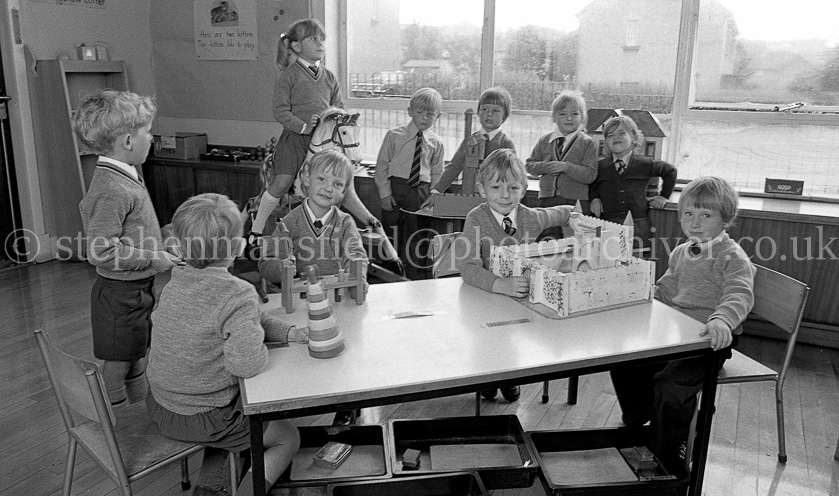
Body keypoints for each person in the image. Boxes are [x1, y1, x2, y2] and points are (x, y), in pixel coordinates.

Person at [147, 193, 306, 496]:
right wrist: (255, 340)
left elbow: (249, 319)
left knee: (231, 414)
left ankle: (210, 486)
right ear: (237, 247)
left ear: (179, 247)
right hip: (203, 415)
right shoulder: (237, 294)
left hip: (161, 404)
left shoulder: (176, 280)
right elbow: (246, 364)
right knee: (288, 436)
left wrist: (288, 333)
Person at [609, 176, 755, 477]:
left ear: (725, 219)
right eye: (688, 214)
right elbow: (665, 288)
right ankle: (639, 419)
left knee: (671, 386)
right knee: (624, 361)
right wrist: (641, 297)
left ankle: (668, 452)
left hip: (711, 339)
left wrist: (722, 319)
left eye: (706, 215)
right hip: (676, 333)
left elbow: (739, 293)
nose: (695, 222)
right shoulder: (681, 251)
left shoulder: (732, 256)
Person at [74, 90, 180, 410]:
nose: (153, 139)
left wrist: (163, 238)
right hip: (120, 296)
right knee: (120, 361)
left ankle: (138, 415)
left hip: (134, 289)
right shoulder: (112, 188)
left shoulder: (125, 174)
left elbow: (133, 230)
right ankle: (110, 420)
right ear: (129, 141)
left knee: (135, 353)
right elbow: (102, 251)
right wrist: (151, 256)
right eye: (148, 132)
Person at [458, 149, 573, 402]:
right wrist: (499, 284)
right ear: (482, 189)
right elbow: (467, 267)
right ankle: (487, 379)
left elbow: (565, 212)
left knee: (514, 339)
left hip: (520, 299)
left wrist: (572, 241)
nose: (504, 195)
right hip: (485, 297)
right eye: (496, 187)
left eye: (512, 188)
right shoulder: (476, 218)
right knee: (486, 344)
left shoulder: (530, 217)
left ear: (523, 188)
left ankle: (510, 378)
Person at [248, 18, 343, 253]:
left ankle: (324, 235)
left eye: (322, 38)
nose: (320, 43)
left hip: (321, 144)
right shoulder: (289, 76)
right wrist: (302, 126)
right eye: (313, 38)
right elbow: (280, 111)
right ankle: (256, 229)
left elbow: (338, 108)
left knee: (325, 188)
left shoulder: (329, 77)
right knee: (282, 183)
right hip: (295, 140)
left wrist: (336, 121)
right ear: (297, 46)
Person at [259, 149, 369, 302]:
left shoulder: (345, 222)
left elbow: (356, 256)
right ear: (307, 179)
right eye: (322, 179)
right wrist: (280, 268)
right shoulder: (289, 223)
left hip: (336, 299)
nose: (328, 188)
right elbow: (266, 264)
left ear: (343, 192)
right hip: (299, 301)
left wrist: (357, 279)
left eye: (337, 184)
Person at [375, 87, 445, 276]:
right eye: (419, 112)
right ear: (409, 112)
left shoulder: (437, 142)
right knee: (391, 233)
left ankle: (415, 276)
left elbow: (438, 172)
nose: (424, 118)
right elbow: (381, 165)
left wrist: (434, 194)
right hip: (395, 188)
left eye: (430, 114)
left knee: (418, 234)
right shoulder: (394, 135)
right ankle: (388, 273)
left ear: (438, 116)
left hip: (420, 192)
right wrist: (385, 193)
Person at [589, 115, 677, 250]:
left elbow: (670, 171)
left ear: (634, 138)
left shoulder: (644, 164)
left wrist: (664, 196)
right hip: (607, 225)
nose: (616, 137)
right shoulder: (600, 166)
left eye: (621, 133)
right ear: (605, 142)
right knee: (605, 259)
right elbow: (592, 183)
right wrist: (595, 198)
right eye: (610, 135)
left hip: (638, 227)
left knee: (637, 263)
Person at [525, 90, 597, 238]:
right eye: (563, 114)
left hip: (576, 203)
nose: (569, 118)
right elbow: (529, 166)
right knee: (548, 241)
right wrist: (544, 167)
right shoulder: (545, 141)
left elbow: (590, 175)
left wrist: (566, 167)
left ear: (582, 117)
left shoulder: (587, 143)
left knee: (577, 243)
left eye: (575, 114)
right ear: (554, 118)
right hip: (547, 202)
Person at [429, 86, 516, 197]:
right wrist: (437, 190)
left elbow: (512, 175)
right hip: (468, 198)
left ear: (505, 116)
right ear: (478, 113)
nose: (489, 114)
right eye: (484, 109)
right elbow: (454, 166)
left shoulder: (506, 144)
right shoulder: (470, 141)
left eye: (495, 110)